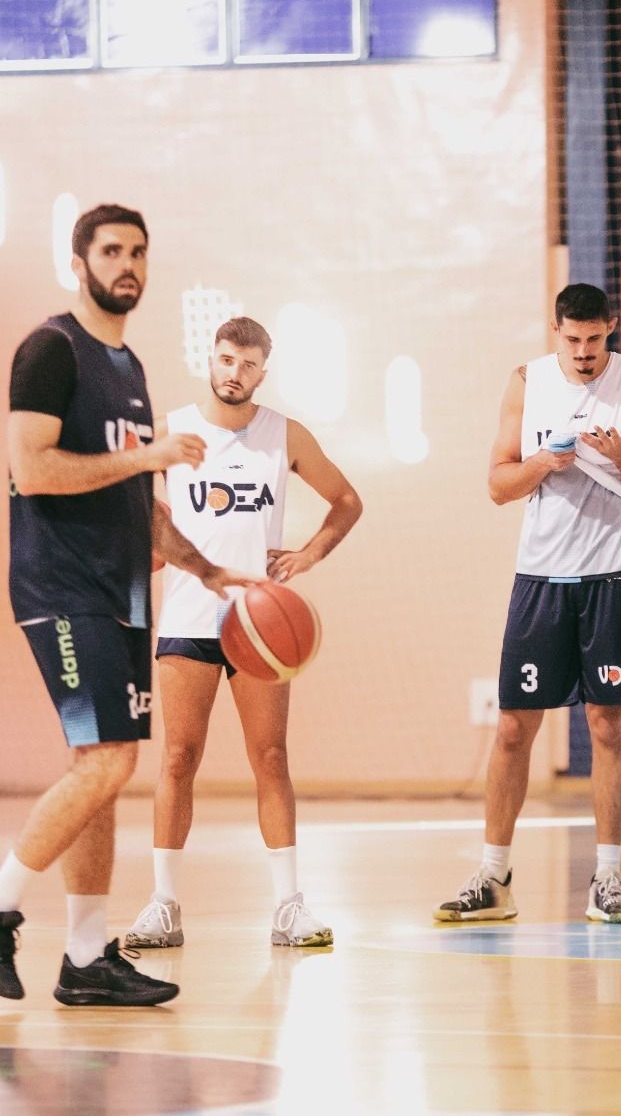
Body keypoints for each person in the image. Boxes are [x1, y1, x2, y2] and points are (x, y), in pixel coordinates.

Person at [2, 204, 256, 1005]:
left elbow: (137, 501)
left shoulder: (130, 367)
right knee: (113, 761)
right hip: (62, 584)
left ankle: (84, 958)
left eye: (139, 252)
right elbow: (32, 469)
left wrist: (205, 567)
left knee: (101, 768)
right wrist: (151, 454)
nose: (128, 264)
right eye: (112, 250)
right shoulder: (51, 350)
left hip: (123, 591)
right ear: (80, 262)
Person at [435, 283, 621, 925]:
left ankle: (609, 879)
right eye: (573, 340)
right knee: (515, 727)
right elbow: (496, 484)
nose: (585, 352)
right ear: (556, 330)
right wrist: (545, 461)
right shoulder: (526, 382)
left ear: (611, 329)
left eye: (596, 339)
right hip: (541, 576)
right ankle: (493, 876)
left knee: (607, 726)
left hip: (614, 575)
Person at [123, 317, 362, 951]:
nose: (235, 372)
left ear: (263, 370)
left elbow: (347, 500)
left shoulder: (283, 434)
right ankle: (164, 905)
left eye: (248, 364)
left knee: (271, 758)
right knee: (178, 759)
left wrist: (307, 556)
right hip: (188, 620)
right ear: (211, 359)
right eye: (227, 359)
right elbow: (143, 518)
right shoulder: (173, 429)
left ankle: (289, 906)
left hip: (258, 625)